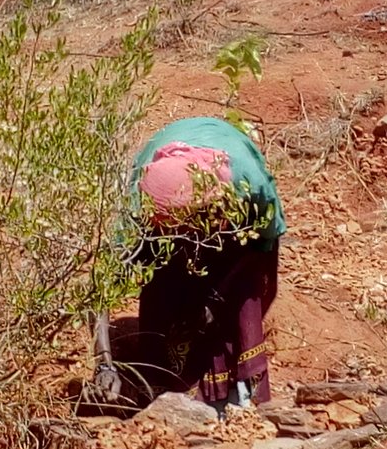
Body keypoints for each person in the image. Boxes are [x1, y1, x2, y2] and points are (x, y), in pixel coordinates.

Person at [89, 116, 286, 412]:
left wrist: (225, 307)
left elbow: (265, 254)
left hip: (233, 223)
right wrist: (104, 365)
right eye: (175, 230)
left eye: (191, 228)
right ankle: (162, 384)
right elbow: (99, 288)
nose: (186, 237)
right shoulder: (137, 206)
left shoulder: (248, 187)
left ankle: (241, 394)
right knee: (165, 271)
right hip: (172, 221)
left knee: (241, 292)